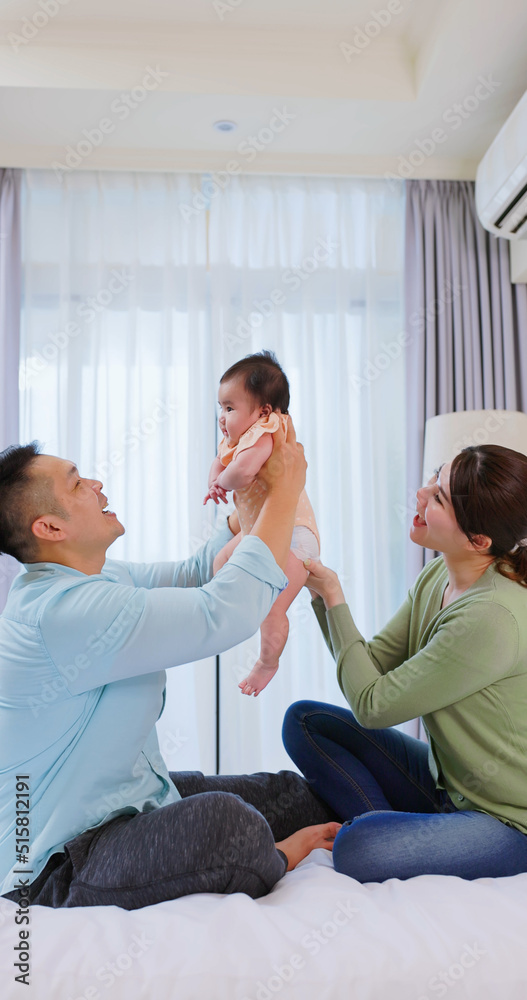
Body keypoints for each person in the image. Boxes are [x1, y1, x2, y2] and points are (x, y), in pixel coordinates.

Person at [0, 427, 339, 911]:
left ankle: (417, 822)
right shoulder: (63, 612)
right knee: (229, 823)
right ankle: (277, 857)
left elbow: (194, 574)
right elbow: (221, 613)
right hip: (61, 860)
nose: (96, 484)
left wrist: (253, 499)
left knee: (290, 796)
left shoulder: (97, 577)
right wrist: (286, 492)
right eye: (77, 484)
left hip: (129, 801)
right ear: (50, 528)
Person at [283, 444, 527, 882]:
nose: (420, 493)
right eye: (434, 478)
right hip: (445, 786)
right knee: (304, 721)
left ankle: (382, 831)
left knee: (359, 849)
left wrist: (334, 595)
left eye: (439, 497)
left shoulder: (491, 616)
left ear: (479, 540)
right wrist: (321, 595)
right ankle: (395, 828)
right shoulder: (437, 576)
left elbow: (375, 708)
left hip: (507, 822)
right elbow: (370, 668)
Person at [204, 351, 320, 696]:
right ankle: (230, 610)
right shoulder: (238, 439)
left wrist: (223, 482)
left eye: (229, 408)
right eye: (220, 408)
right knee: (221, 562)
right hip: (261, 533)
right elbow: (220, 461)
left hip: (294, 536)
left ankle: (267, 662)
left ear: (264, 411)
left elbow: (242, 471)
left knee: (273, 608)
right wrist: (214, 479)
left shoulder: (267, 433)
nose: (222, 417)